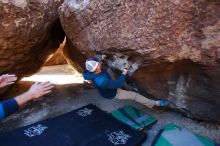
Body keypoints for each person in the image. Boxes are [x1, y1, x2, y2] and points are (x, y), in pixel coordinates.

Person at [83, 56, 169, 108]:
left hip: (107, 86)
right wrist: (125, 69)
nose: (99, 62)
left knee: (109, 72)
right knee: (134, 95)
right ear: (97, 67)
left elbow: (96, 64)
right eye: (98, 63)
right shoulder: (102, 81)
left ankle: (123, 87)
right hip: (113, 94)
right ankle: (155, 103)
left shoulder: (89, 71)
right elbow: (119, 83)